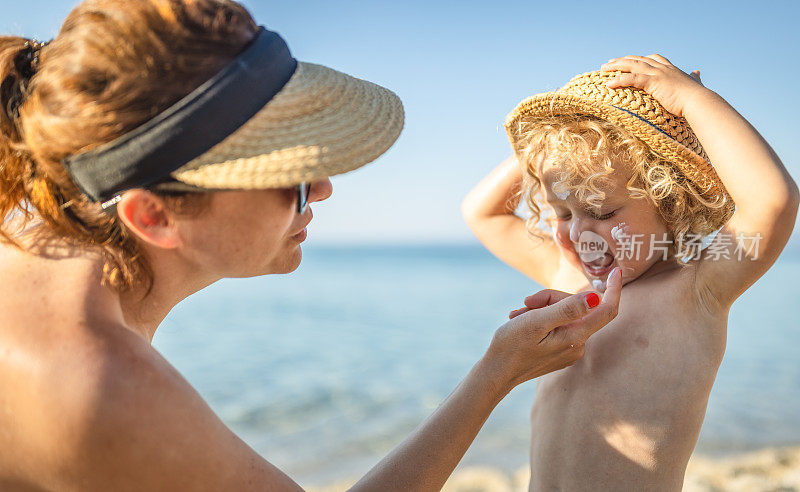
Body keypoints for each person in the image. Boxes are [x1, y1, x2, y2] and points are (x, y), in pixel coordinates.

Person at [0, 1, 623, 490]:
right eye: (289, 178)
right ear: (155, 216)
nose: (323, 189)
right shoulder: (96, 383)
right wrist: (495, 374)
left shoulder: (41, 228)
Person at [463, 58, 799, 490]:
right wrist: (552, 140)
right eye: (562, 212)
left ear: (670, 201)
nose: (581, 230)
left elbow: (772, 200)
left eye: (601, 211)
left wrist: (692, 102)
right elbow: (482, 212)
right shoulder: (568, 277)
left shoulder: (696, 290)